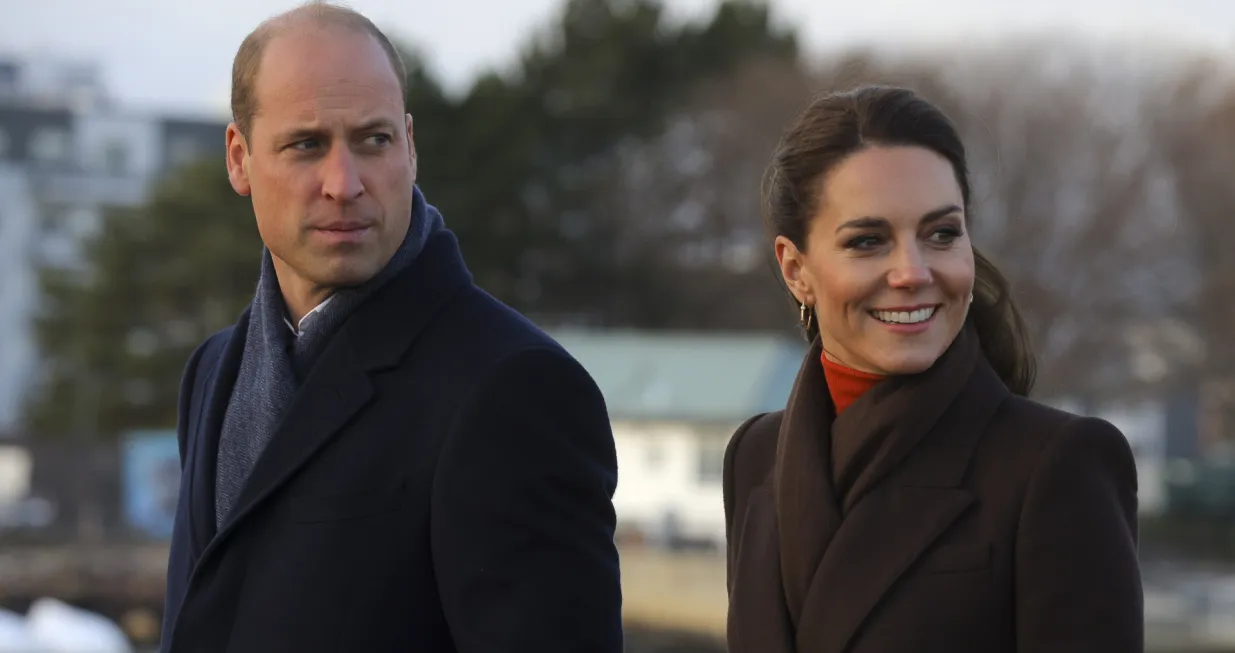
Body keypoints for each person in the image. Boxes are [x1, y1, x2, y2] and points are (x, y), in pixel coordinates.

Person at [158, 4, 623, 652]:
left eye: (372, 140)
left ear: (409, 145)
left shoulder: (515, 386)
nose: (344, 184)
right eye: (306, 144)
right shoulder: (213, 372)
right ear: (239, 158)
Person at [722, 85, 1142, 653]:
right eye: (868, 241)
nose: (912, 272)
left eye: (941, 234)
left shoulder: (1057, 464)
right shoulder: (755, 455)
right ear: (796, 269)